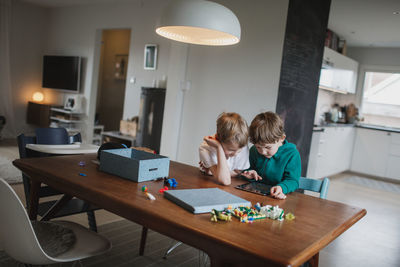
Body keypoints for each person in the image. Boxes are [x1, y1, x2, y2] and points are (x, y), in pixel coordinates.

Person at [242, 111, 301, 199]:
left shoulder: (292, 154)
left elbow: (293, 181)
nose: (263, 152)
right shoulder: (254, 151)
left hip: (277, 197)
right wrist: (249, 173)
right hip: (255, 195)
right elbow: (247, 170)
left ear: (281, 138)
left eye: (268, 147)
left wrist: (281, 188)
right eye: (258, 147)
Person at [199, 112, 250, 185]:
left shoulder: (241, 145)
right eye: (231, 150)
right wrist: (219, 147)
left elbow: (238, 172)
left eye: (239, 151)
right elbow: (225, 181)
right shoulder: (205, 149)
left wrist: (215, 173)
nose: (236, 154)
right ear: (218, 139)